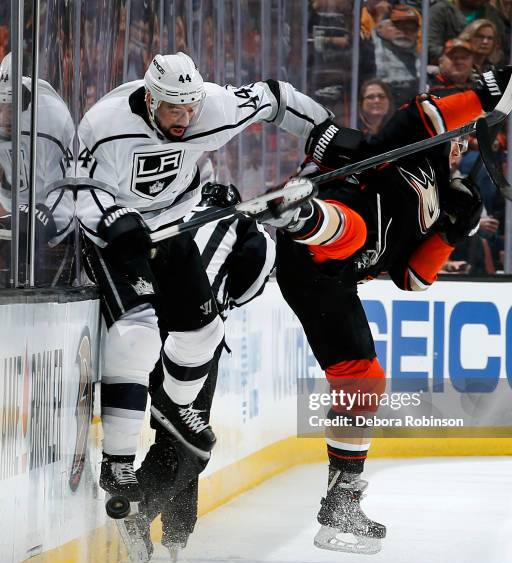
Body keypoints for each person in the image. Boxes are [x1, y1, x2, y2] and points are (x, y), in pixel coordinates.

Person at [266, 61, 512, 553]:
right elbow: (422, 116)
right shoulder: (410, 148)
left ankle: (342, 498)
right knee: (356, 230)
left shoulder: (449, 202)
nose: (456, 143)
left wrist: (452, 233)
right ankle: (300, 215)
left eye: (464, 139)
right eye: (455, 134)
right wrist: (482, 97)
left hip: (333, 282)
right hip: (314, 245)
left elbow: (413, 281)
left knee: (364, 378)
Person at [74, 52, 331, 511]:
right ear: (151, 99)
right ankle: (117, 461)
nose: (186, 119)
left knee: (207, 333)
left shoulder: (211, 107)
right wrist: (114, 218)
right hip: (115, 238)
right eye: (175, 109)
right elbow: (79, 189)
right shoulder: (105, 124)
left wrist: (321, 129)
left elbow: (275, 97)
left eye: (191, 108)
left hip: (173, 228)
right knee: (138, 335)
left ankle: (173, 409)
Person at [136, 180, 276, 560]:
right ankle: (145, 512)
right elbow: (253, 279)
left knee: (171, 429)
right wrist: (224, 301)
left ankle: (175, 531)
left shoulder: (176, 210)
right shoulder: (249, 225)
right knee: (189, 441)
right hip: (195, 334)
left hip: (144, 324)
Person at [0, 52, 75, 288]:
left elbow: (67, 191)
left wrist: (41, 218)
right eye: (0, 106)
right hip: (15, 215)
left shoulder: (50, 119)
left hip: (56, 224)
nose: (5, 116)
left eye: (11, 107)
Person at [372, 5, 421, 107]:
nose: (405, 32)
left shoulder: (418, 55)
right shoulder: (370, 48)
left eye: (411, 27)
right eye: (398, 25)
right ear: (381, 27)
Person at [428, 0, 505, 63]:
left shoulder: (491, 13)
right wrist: (461, 56)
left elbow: (500, 48)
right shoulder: (441, 10)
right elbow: (430, 48)